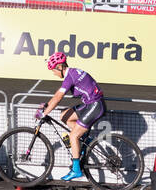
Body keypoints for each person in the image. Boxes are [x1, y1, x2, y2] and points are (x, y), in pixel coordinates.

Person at [35, 51, 105, 181]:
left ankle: (76, 169)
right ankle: (84, 141)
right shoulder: (71, 73)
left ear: (60, 67)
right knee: (64, 116)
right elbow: (57, 94)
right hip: (91, 104)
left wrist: (44, 113)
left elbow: (58, 97)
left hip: (94, 106)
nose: (53, 73)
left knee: (73, 136)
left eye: (53, 70)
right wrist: (47, 105)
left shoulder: (70, 77)